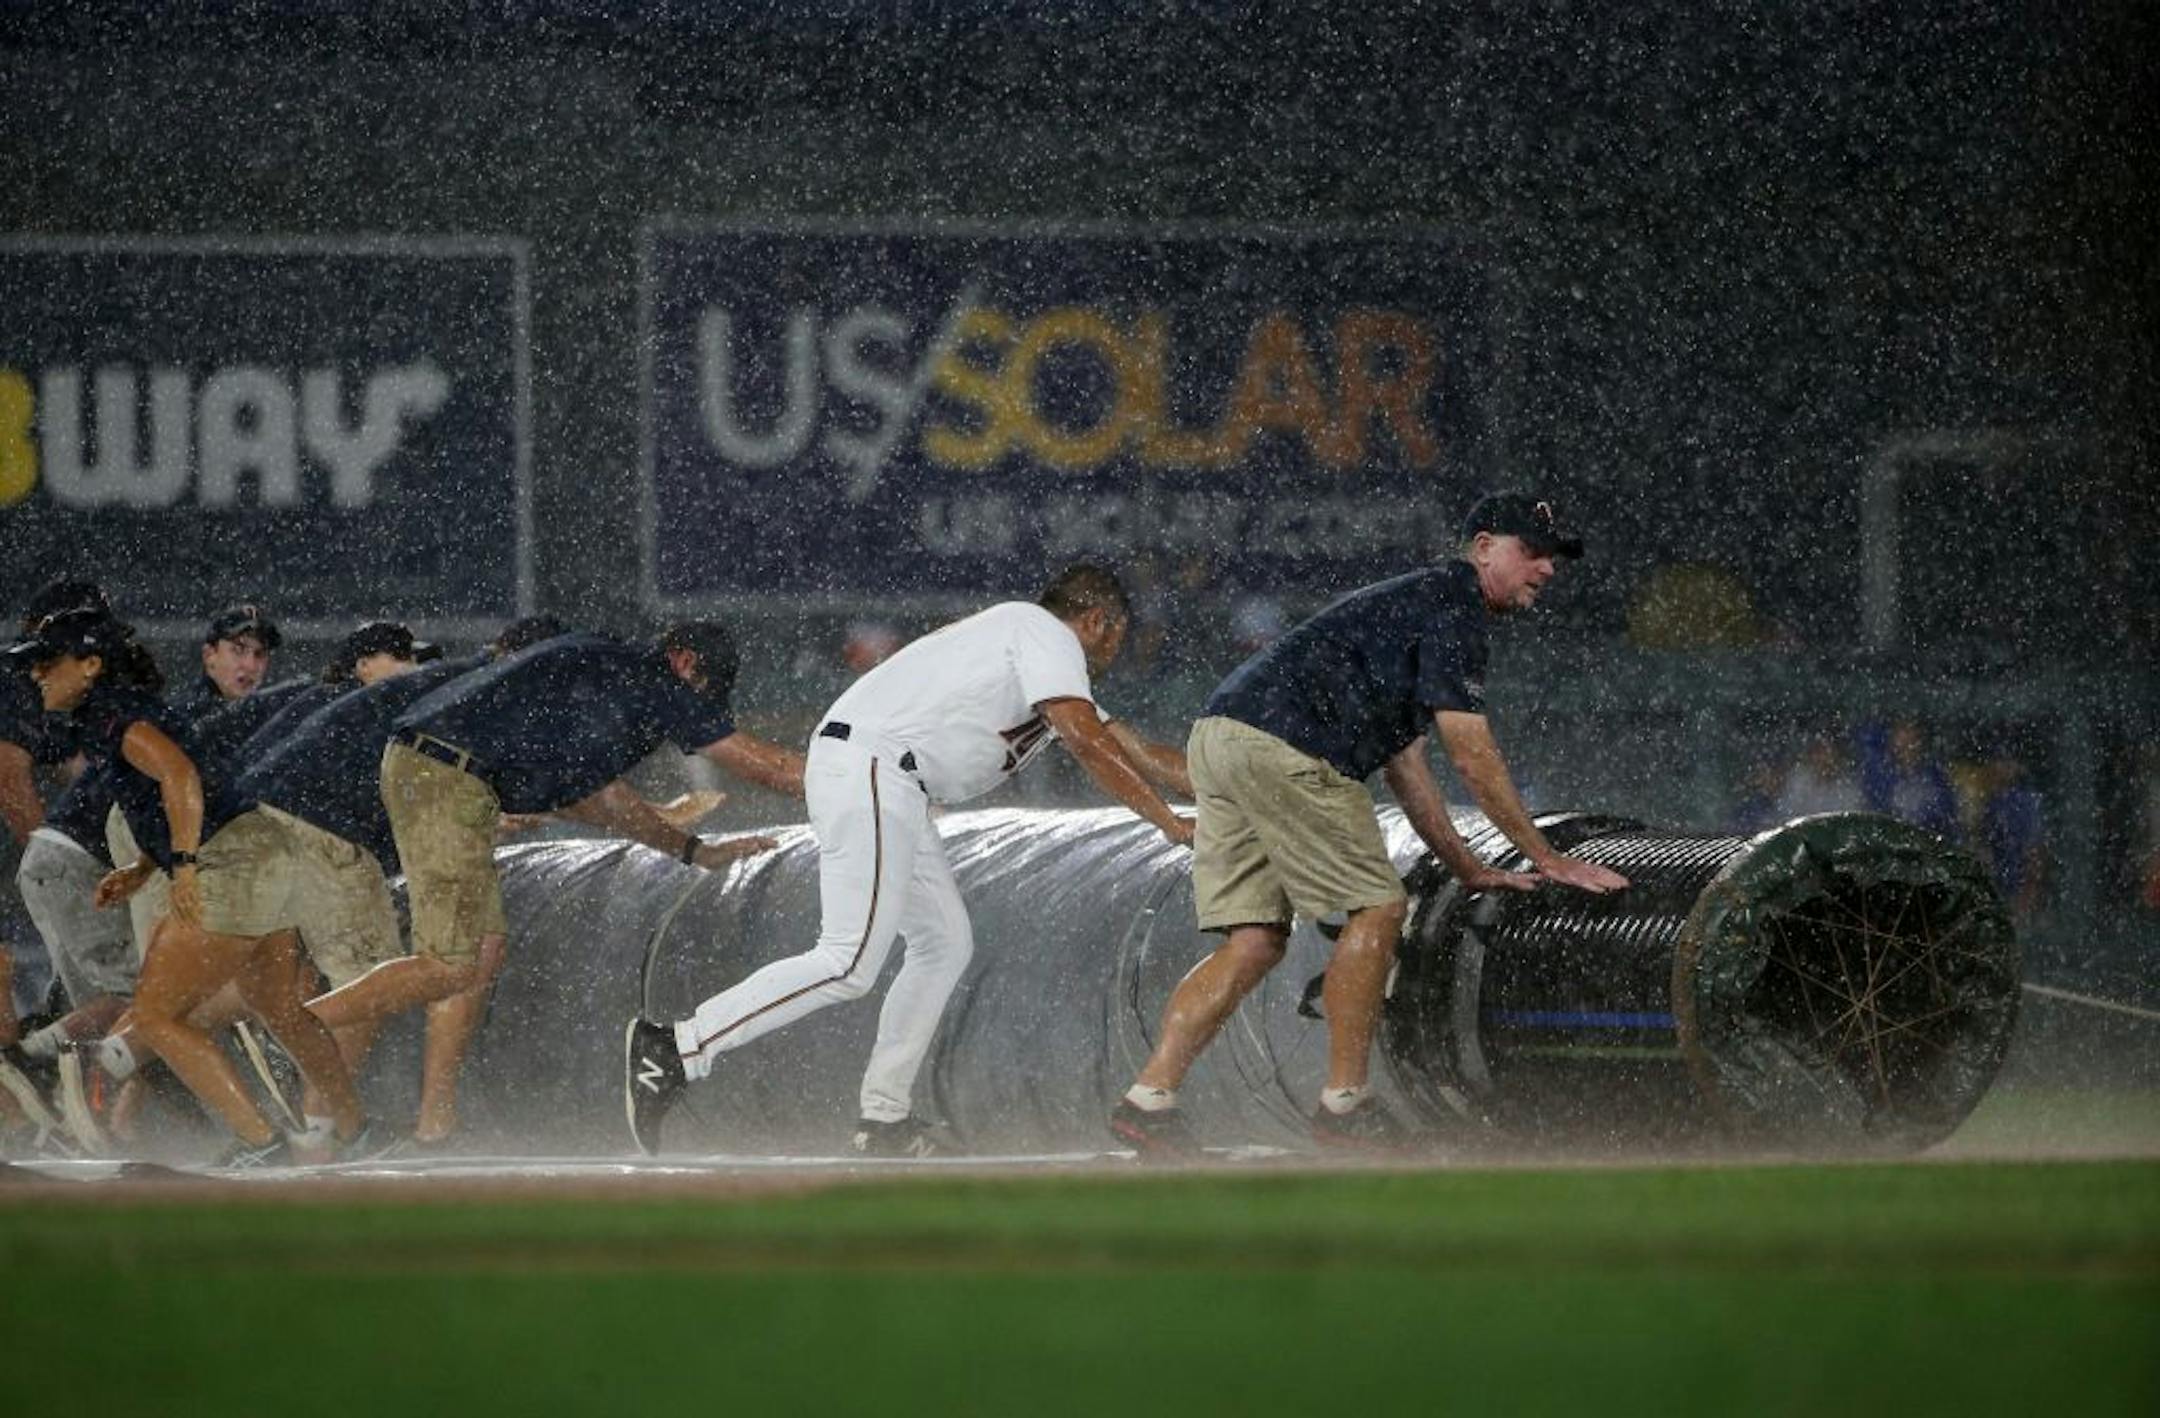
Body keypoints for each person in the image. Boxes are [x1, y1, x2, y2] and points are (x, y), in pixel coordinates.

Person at [1109, 492, 1630, 1158]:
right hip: (1288, 748)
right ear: (1483, 548)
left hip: (1223, 738)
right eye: (1532, 551)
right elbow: (1471, 752)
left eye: (1553, 557)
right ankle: (1345, 1106)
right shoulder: (1455, 606)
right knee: (1380, 908)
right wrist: (1546, 855)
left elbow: (1407, 769)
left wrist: (1468, 867)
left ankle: (1147, 1101)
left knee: (1254, 941)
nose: (1547, 568)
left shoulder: (1412, 605)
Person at [624, 565, 1194, 1159]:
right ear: (1101, 620)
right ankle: (678, 1047)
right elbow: (1086, 742)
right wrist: (1168, 823)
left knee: (944, 943)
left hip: (893, 782)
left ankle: (884, 1119)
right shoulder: (1042, 632)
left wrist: (1227, 789)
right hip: (874, 768)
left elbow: (1140, 752)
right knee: (848, 961)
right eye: (1117, 635)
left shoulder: (1042, 664)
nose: (1116, 649)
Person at [303, 622, 805, 1145]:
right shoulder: (649, 681)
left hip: (443, 771)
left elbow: (598, 800)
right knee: (449, 963)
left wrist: (692, 851)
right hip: (443, 775)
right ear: (682, 661)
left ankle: (435, 1125)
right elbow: (765, 765)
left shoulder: (604, 679)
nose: (701, 707)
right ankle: (302, 1023)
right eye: (705, 690)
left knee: (480, 955)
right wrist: (864, 780)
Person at [13, 609, 378, 1166]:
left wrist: (182, 864)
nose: (37, 673)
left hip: (228, 862)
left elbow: (178, 776)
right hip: (261, 847)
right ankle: (355, 1129)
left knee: (158, 1017)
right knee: (276, 1003)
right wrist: (143, 867)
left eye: (47, 661)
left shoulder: (110, 713)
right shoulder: (121, 708)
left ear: (90, 664)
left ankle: (259, 1143)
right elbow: (181, 786)